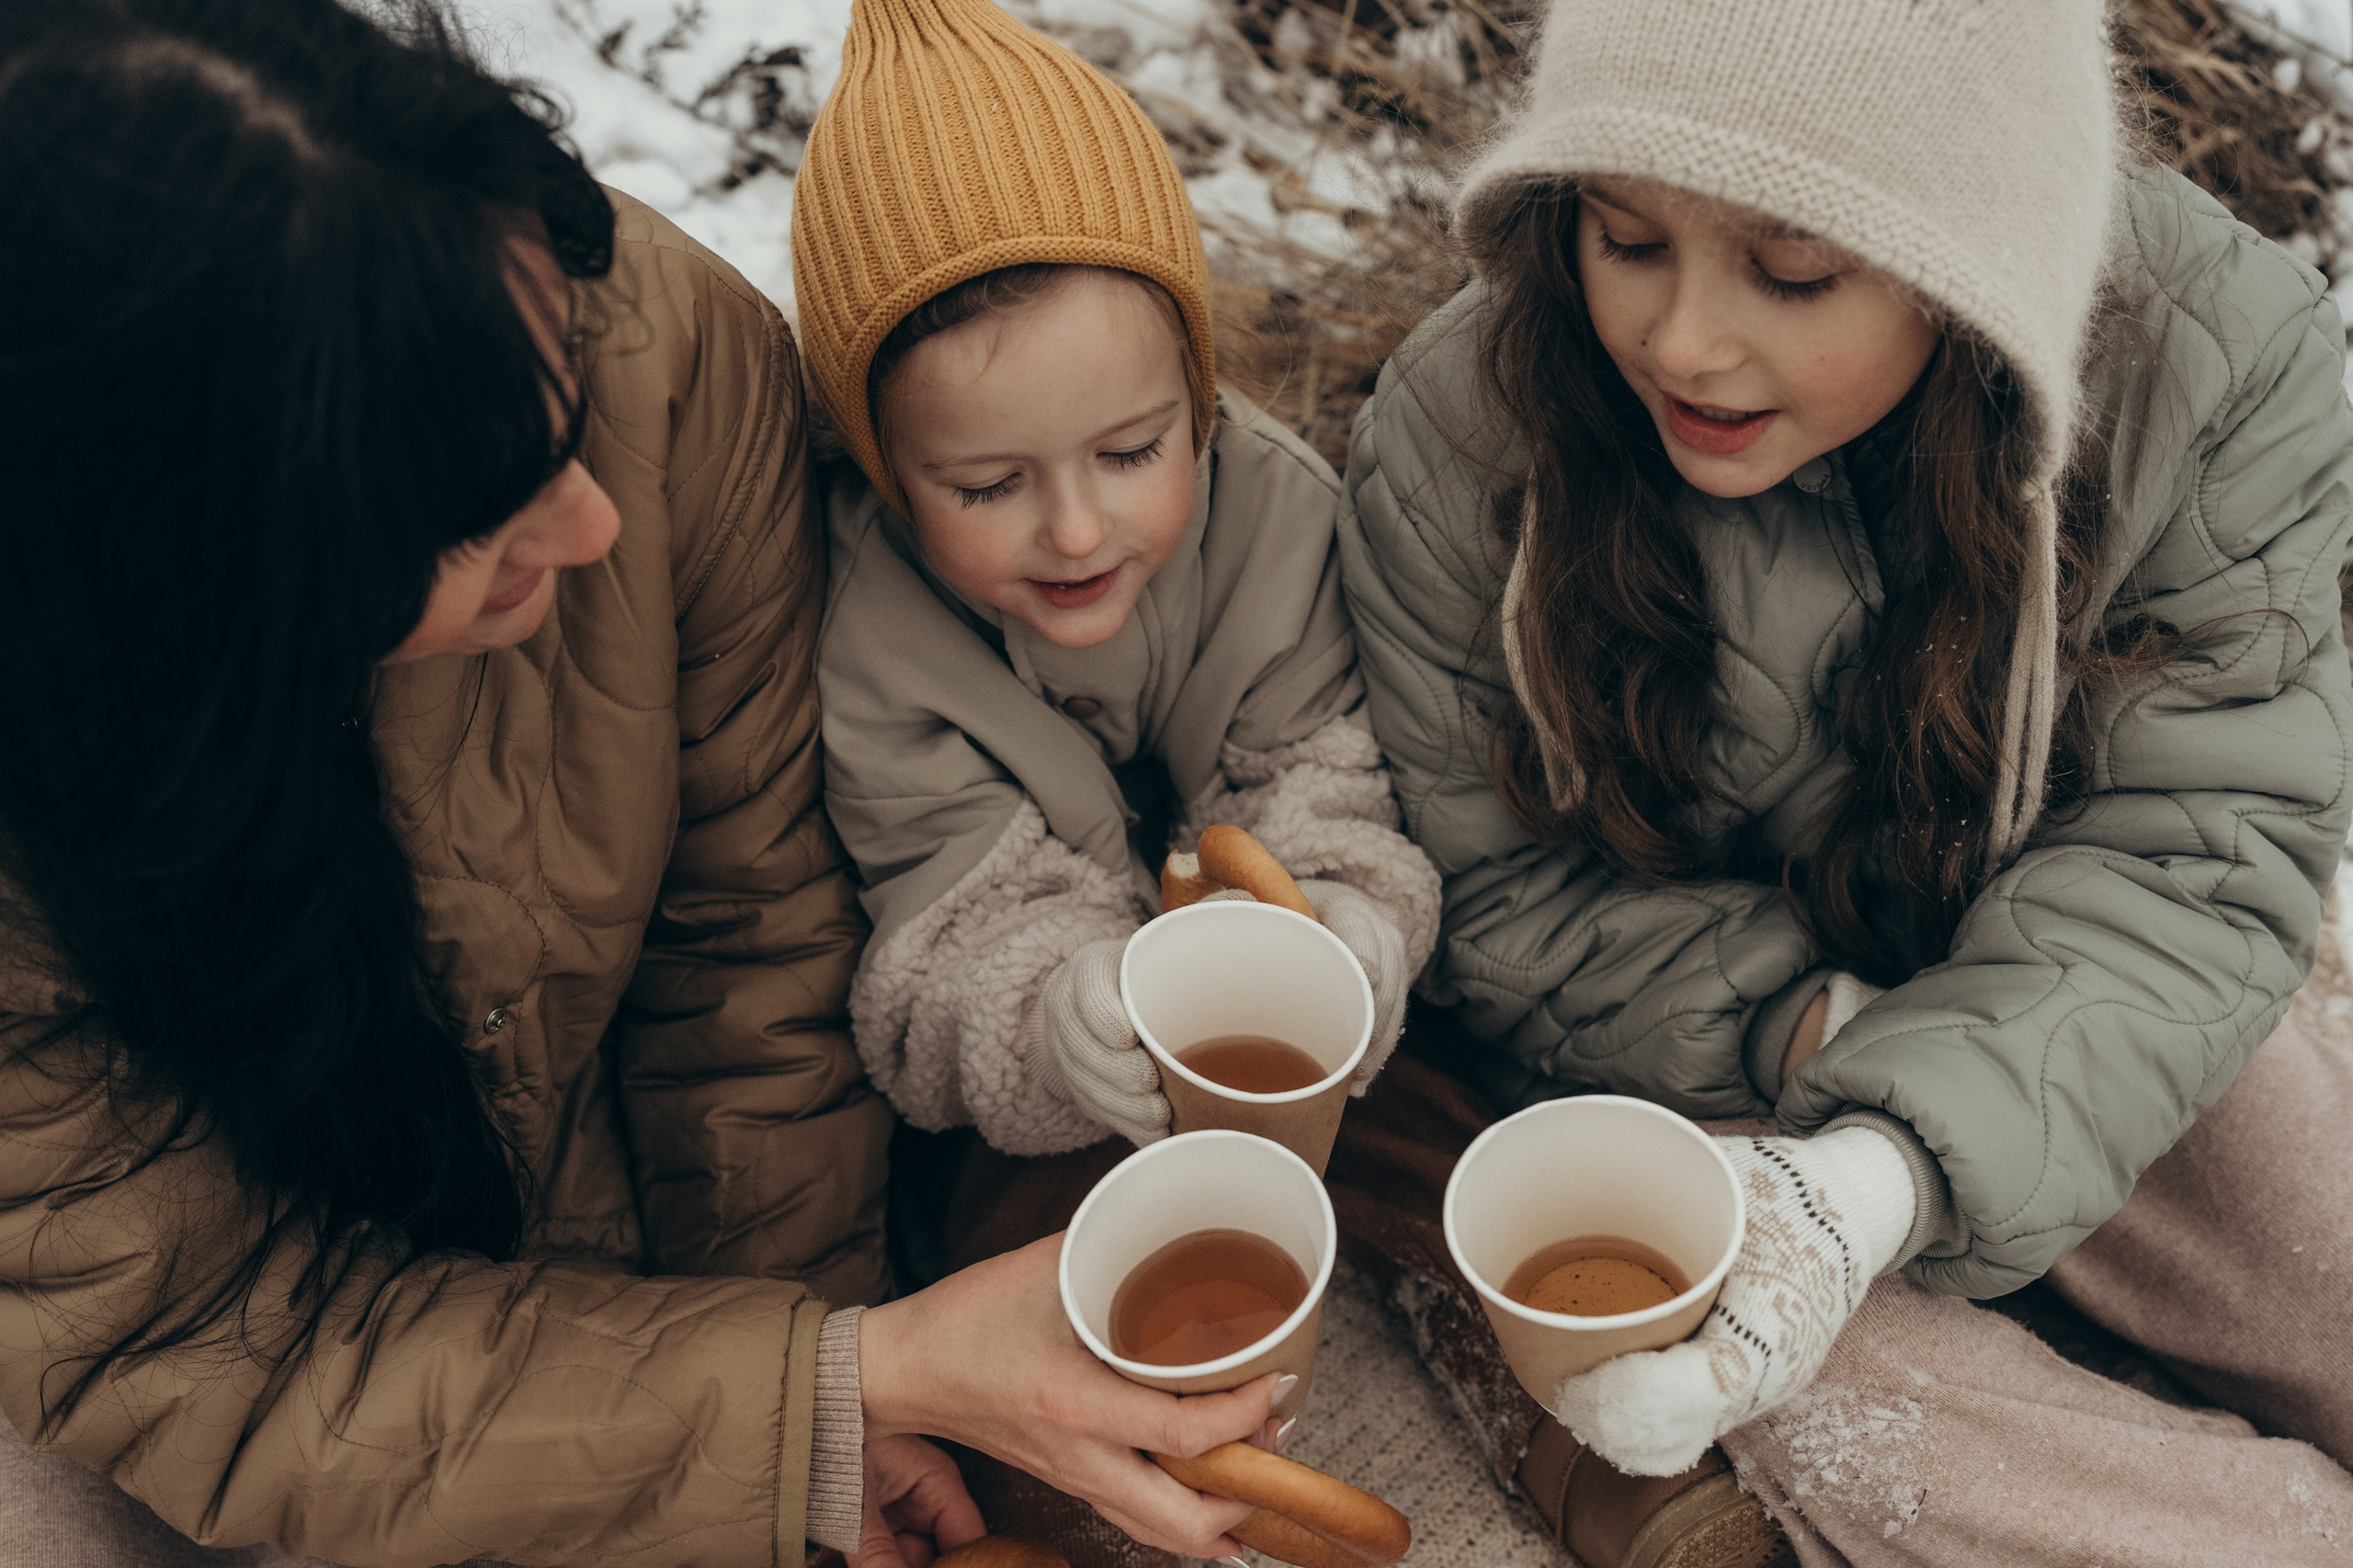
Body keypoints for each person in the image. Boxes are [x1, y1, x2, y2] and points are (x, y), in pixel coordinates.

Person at [0, 5, 1288, 1566]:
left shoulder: (647, 339)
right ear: (195, 599)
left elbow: (753, 947)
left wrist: (824, 1403)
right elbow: (205, 1347)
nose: (599, 526)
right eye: (474, 518)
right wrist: (833, 1391)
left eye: (562, 412)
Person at [1338, 0, 2353, 1562]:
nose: (1681, 340)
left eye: (1792, 268)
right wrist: (1807, 1035)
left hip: (2092, 981)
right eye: (1622, 237)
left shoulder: (2208, 362)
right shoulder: (1463, 427)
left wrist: (1887, 1174)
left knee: (2322, 1256)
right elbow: (1497, 886)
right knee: (1798, 1381)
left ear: (1971, 247)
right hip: (1714, 1070)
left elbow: (2196, 850)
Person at [797, 0, 1439, 1169]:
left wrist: (1353, 915)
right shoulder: (871, 633)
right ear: (887, 473)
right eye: (988, 484)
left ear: (1197, 396)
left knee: (1430, 1167)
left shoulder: (1276, 520)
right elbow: (941, 910)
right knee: (1045, 1258)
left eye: (1134, 451)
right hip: (1071, 1120)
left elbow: (1320, 774)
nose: (1077, 530)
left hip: (1289, 1042)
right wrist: (1046, 1019)